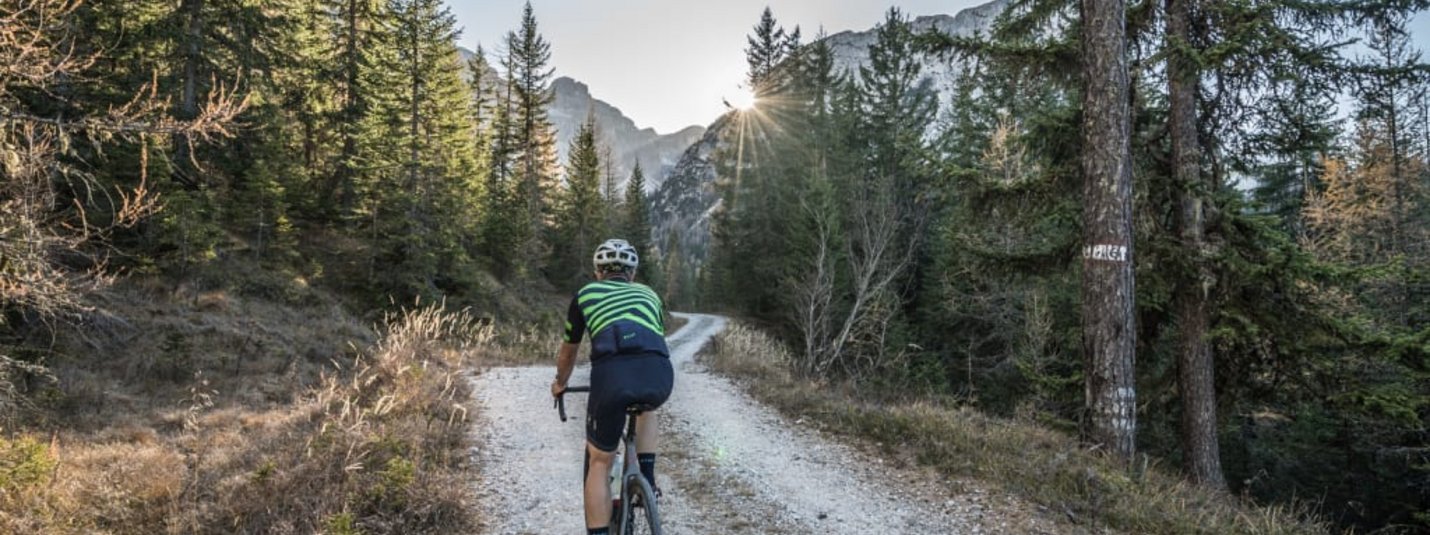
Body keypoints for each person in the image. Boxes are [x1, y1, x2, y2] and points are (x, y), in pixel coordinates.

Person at [551, 238, 673, 535]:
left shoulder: (585, 294)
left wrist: (560, 383)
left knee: (600, 461)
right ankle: (647, 477)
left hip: (612, 377)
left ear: (598, 272)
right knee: (648, 407)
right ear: (632, 273)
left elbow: (569, 350)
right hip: (658, 372)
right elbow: (656, 335)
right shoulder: (649, 294)